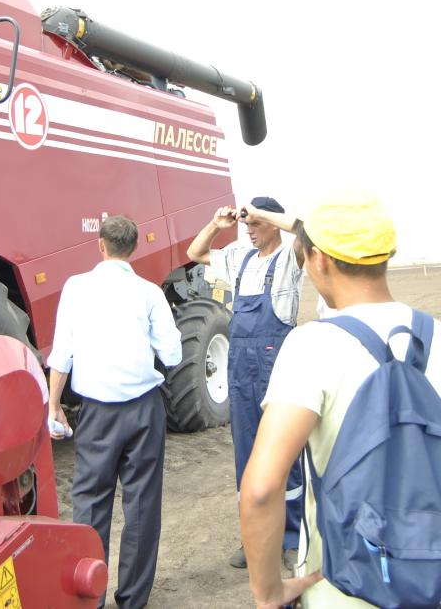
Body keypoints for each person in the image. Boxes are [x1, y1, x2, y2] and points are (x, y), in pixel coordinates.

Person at [239, 193, 441, 609]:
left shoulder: (312, 345)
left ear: (320, 259)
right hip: (435, 588)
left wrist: (268, 592)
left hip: (341, 588)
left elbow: (261, 489)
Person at [47, 216, 182, 609]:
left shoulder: (76, 288)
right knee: (141, 506)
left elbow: (62, 353)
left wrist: (55, 405)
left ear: (100, 246)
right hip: (144, 412)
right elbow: (173, 354)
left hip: (96, 414)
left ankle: (88, 598)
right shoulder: (149, 293)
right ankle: (133, 600)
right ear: (133, 249)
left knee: (90, 503)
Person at [187, 197, 304, 570]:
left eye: (254, 225)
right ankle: (254, 539)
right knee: (248, 457)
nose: (249, 231)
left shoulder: (288, 259)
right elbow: (195, 251)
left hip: (277, 369)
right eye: (247, 226)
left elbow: (308, 231)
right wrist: (216, 224)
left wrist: (262, 213)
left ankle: (291, 537)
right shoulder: (240, 257)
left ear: (271, 223)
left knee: (285, 456)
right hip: (240, 369)